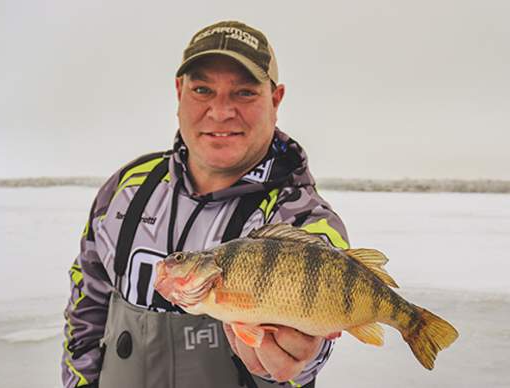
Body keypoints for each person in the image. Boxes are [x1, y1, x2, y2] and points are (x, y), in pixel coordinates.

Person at [61, 20, 349, 388]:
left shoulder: (303, 219)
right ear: (179, 91)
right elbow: (85, 313)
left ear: (275, 100)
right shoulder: (127, 189)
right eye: (202, 89)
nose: (220, 111)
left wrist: (297, 359)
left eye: (244, 92)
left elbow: (313, 345)